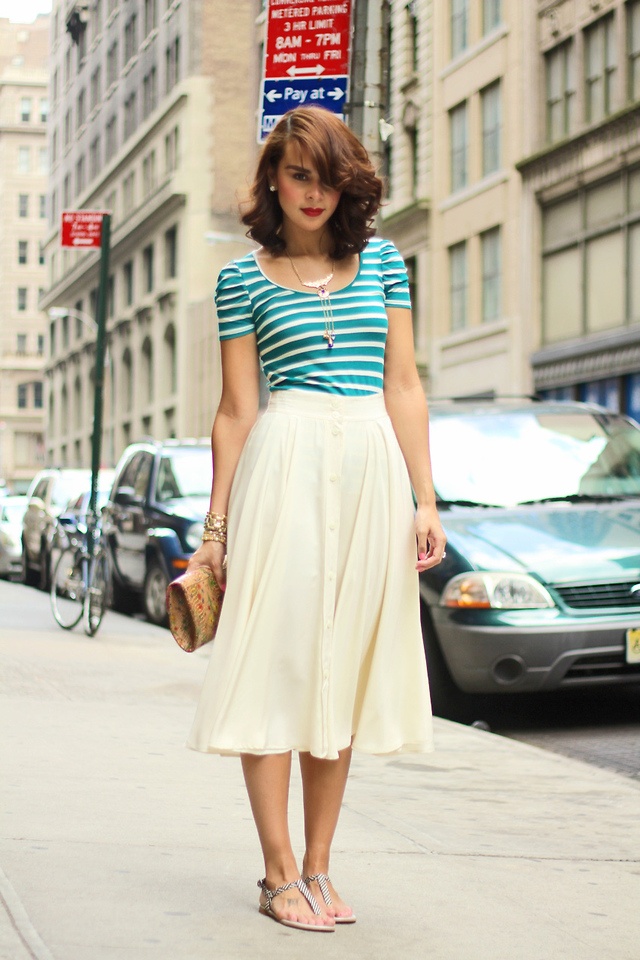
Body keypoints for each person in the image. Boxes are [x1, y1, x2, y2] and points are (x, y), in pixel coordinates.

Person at [186, 106, 446, 933]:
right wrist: (216, 528)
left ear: (349, 186)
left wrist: (424, 496)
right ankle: (277, 872)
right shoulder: (240, 279)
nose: (313, 193)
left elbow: (403, 384)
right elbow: (235, 410)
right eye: (298, 174)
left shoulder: (384, 267)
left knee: (338, 668)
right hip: (285, 465)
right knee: (277, 661)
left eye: (329, 177)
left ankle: (321, 866)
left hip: (370, 468)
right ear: (273, 177)